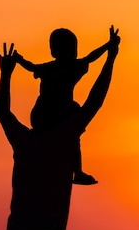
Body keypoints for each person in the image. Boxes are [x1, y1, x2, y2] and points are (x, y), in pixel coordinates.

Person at [0, 25, 120, 230]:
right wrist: (111, 57)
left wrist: (6, 73)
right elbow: (95, 100)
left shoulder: (22, 140)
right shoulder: (65, 138)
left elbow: (3, 112)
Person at [14, 28, 114, 185]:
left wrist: (108, 46)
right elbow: (90, 58)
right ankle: (77, 172)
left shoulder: (64, 68)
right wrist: (108, 46)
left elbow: (90, 58)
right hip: (46, 115)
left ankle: (77, 171)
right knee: (74, 129)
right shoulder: (62, 68)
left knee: (74, 133)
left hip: (57, 113)